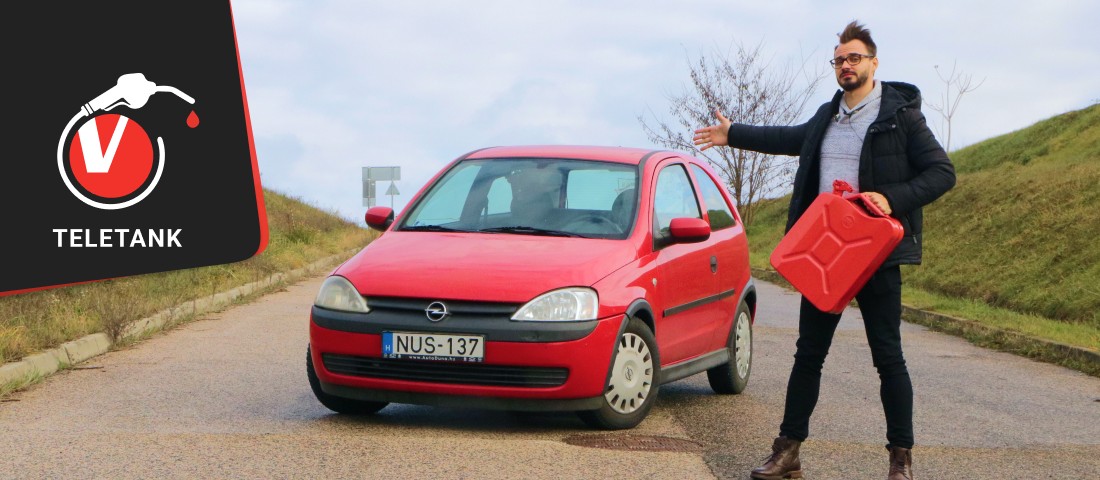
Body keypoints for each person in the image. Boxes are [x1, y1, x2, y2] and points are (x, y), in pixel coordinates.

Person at [693, 20, 956, 480]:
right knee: (808, 354)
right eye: (839, 60)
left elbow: (941, 173)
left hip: (876, 255)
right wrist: (732, 134)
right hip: (827, 256)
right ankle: (787, 451)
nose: (845, 66)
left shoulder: (902, 117)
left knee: (888, 357)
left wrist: (892, 199)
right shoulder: (826, 116)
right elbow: (786, 139)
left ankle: (901, 461)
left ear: (874, 63)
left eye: (854, 58)